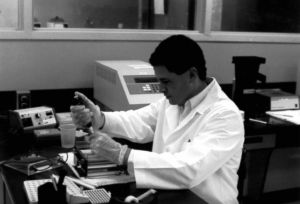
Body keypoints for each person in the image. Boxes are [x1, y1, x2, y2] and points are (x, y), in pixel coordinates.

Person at [70, 35, 245, 204]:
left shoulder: (225, 115)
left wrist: (122, 155)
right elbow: (139, 120)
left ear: (192, 75)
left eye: (166, 81)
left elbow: (189, 169)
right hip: (169, 196)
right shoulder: (174, 102)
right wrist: (100, 119)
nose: (160, 88)